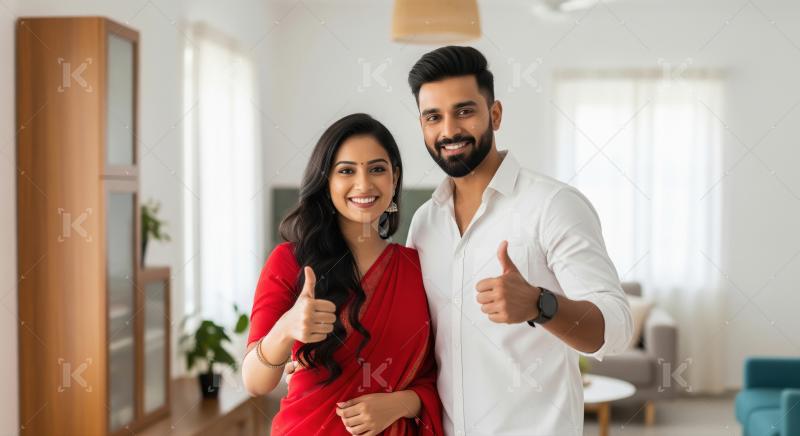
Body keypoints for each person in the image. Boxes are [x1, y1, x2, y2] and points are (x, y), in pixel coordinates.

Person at [405, 46, 634, 435]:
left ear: (494, 114)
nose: (449, 131)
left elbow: (617, 329)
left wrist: (541, 306)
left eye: (464, 111)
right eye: (433, 117)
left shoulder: (553, 205)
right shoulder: (424, 223)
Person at [242, 113, 443, 436]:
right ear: (326, 182)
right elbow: (254, 382)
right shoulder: (290, 262)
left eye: (377, 169)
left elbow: (439, 374)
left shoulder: (418, 268)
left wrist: (403, 403)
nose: (363, 184)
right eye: (346, 171)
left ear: (395, 177)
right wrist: (286, 329)